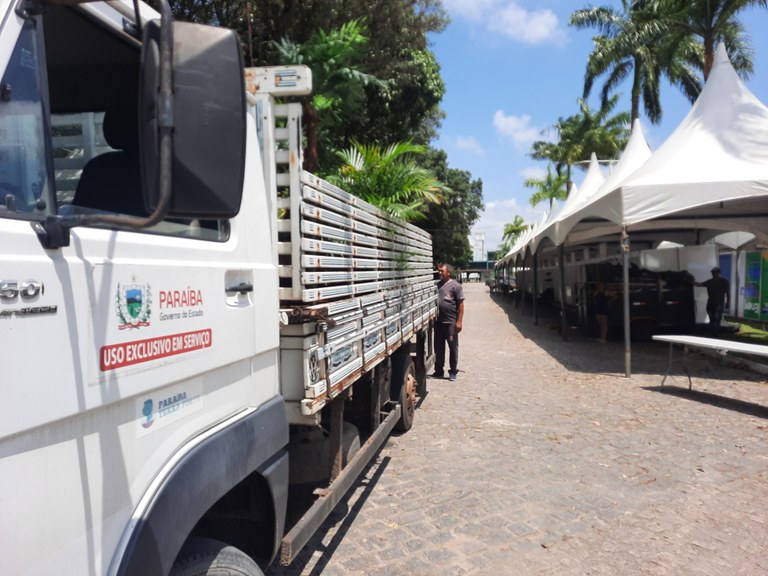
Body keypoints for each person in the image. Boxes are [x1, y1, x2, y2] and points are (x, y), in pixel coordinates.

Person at [433, 263, 464, 381]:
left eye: (442, 271)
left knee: (453, 347)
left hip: (450, 323)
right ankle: (439, 370)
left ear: (449, 273)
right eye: (439, 271)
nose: (440, 273)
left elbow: (461, 305)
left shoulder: (455, 286)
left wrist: (459, 322)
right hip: (438, 322)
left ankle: (453, 371)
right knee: (438, 347)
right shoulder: (437, 285)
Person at [695, 267, 729, 336]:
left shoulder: (724, 282)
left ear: (719, 273)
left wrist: (728, 302)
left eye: (715, 273)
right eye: (713, 273)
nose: (713, 274)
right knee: (712, 320)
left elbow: (728, 293)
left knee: (717, 320)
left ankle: (715, 334)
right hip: (710, 304)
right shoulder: (709, 282)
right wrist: (691, 282)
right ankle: (713, 333)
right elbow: (699, 284)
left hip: (719, 304)